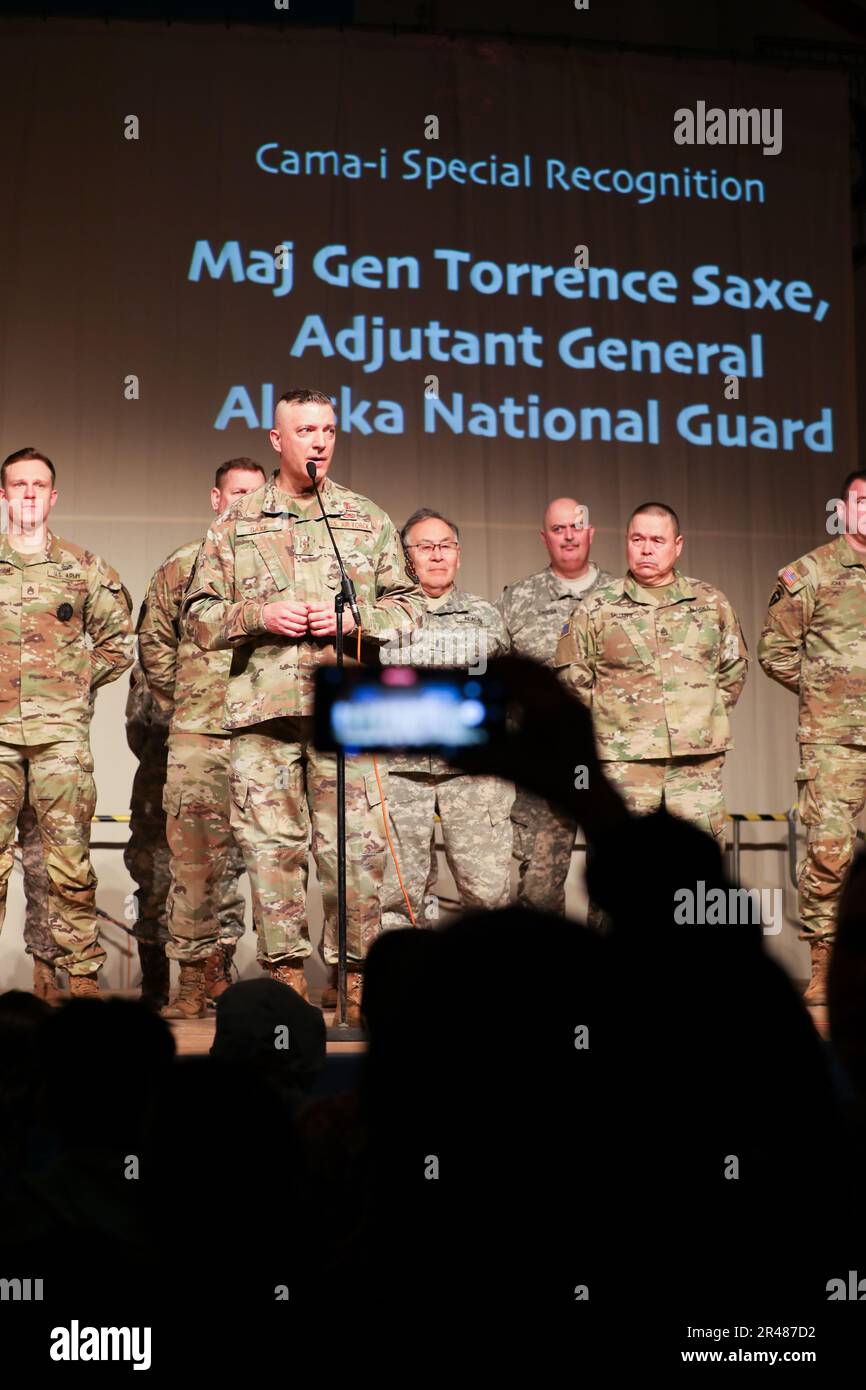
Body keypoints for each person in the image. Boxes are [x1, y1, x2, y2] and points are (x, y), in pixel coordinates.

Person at [180, 388, 425, 1024]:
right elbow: (199, 616)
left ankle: (354, 980)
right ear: (276, 440)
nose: (318, 441)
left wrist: (352, 620)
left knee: (354, 851)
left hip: (344, 713)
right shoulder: (237, 522)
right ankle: (284, 981)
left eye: (328, 430)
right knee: (271, 850)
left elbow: (409, 607)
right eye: (305, 430)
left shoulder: (364, 519)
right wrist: (258, 615)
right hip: (264, 716)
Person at [133, 459, 267, 1016]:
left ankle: (228, 973)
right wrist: (185, 702)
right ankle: (188, 980)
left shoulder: (278, 569)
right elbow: (153, 642)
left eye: (257, 495)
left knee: (263, 859)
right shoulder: (183, 565)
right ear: (216, 498)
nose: (245, 504)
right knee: (191, 862)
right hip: (198, 732)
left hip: (263, 733)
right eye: (237, 494)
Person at [0, 447, 134, 995]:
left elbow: (118, 642)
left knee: (68, 864)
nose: (29, 493)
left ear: (53, 497)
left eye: (39, 485)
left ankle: (79, 976)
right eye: (19, 484)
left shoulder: (83, 568)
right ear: (3, 495)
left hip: (59, 740)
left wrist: (72, 686)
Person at [555, 501, 748, 846]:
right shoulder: (596, 608)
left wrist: (701, 714)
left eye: (657, 541)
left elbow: (733, 667)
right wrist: (613, 722)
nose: (645, 549)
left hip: (695, 763)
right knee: (621, 871)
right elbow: (572, 678)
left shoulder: (711, 603)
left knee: (697, 870)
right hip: (623, 764)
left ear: (678, 545)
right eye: (637, 539)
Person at [758, 469, 866, 1006]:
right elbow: (774, 651)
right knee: (830, 851)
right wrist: (830, 691)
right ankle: (825, 966)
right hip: (834, 740)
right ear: (843, 508)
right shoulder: (811, 572)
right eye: (860, 501)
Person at [379, 507, 513, 933]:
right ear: (406, 557)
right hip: (400, 770)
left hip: (471, 773)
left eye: (446, 546)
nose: (437, 555)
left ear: (458, 554)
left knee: (487, 891)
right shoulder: (384, 616)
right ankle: (401, 990)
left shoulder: (486, 616)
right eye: (425, 547)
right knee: (397, 895)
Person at [498, 497, 613, 914]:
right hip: (543, 768)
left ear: (591, 533)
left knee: (619, 881)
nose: (568, 535)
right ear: (544, 537)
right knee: (539, 888)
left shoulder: (620, 596)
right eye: (559, 528)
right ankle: (546, 978)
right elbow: (498, 677)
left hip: (610, 763)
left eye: (576, 526)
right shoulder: (517, 599)